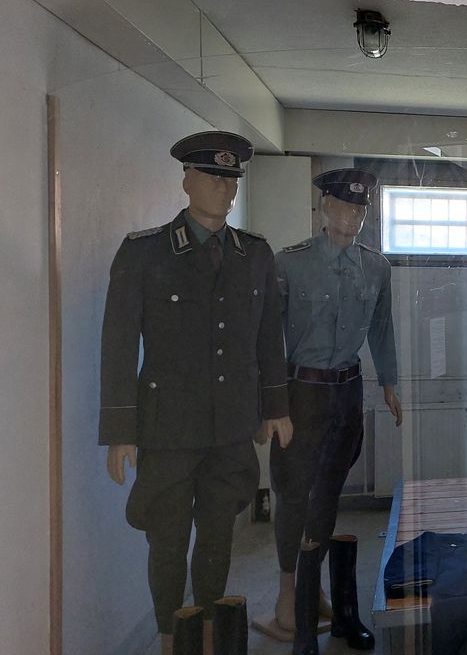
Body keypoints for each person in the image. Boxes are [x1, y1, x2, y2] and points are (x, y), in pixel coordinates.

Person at [99, 131, 294, 655]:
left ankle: (206, 632)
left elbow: (267, 335)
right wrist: (120, 430)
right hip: (167, 427)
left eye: (231, 179)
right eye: (212, 177)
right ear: (186, 180)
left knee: (217, 534)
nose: (224, 189)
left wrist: (274, 407)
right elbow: (118, 344)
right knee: (166, 538)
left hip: (231, 426)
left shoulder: (253, 254)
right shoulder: (144, 252)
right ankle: (171, 637)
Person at [266, 168, 402, 654]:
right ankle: (289, 593)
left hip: (347, 392)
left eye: (360, 208)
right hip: (300, 392)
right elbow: (268, 337)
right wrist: (270, 402)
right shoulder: (290, 263)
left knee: (327, 495)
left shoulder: (376, 268)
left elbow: (381, 329)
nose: (353, 215)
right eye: (344, 205)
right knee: (293, 495)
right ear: (324, 207)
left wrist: (389, 382)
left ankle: (321, 596)